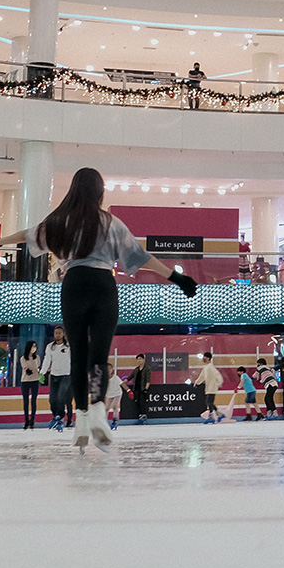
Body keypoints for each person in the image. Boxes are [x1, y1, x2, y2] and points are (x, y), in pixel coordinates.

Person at [29, 167, 195, 450]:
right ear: (100, 192)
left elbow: (30, 234)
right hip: (103, 286)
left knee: (78, 357)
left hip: (74, 286)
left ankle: (81, 419)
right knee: (98, 356)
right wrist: (176, 277)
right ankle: (96, 411)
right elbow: (140, 256)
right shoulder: (110, 222)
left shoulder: (61, 221)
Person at [41, 328, 72, 430]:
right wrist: (42, 373)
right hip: (54, 375)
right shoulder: (50, 347)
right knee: (52, 400)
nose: (57, 335)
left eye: (59, 333)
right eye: (56, 333)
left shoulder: (68, 346)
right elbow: (47, 360)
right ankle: (56, 416)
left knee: (60, 397)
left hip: (66, 375)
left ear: (63, 334)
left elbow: (74, 360)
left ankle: (60, 417)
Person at [15, 341, 43, 429]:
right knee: (26, 401)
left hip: (35, 380)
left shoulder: (37, 357)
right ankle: (26, 420)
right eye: (33, 346)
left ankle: (32, 420)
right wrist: (36, 370)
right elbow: (28, 371)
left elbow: (37, 367)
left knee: (34, 401)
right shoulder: (23, 358)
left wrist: (37, 371)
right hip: (25, 381)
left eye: (35, 346)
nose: (34, 348)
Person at [196, 351, 226, 425]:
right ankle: (220, 415)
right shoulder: (205, 367)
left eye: (205, 357)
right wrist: (197, 382)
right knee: (210, 402)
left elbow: (218, 375)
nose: (203, 359)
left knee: (209, 402)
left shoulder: (211, 367)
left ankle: (211, 417)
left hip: (212, 387)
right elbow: (202, 376)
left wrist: (219, 383)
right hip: (208, 388)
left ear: (208, 358)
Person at [127, 353, 150, 424]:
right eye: (137, 360)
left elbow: (148, 380)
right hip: (136, 388)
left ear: (143, 359)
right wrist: (125, 381)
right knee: (137, 402)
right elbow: (131, 376)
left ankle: (144, 415)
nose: (139, 361)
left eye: (140, 359)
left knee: (142, 402)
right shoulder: (136, 369)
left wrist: (146, 389)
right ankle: (140, 414)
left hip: (143, 388)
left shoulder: (147, 369)